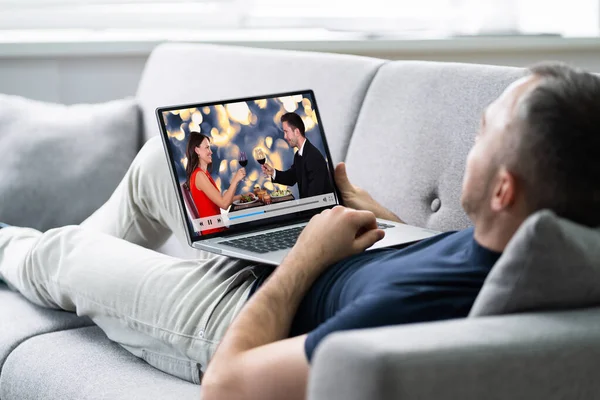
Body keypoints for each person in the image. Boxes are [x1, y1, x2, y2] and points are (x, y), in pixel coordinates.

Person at [1, 63, 599, 400]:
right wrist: (370, 212)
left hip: (246, 314)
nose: (471, 140)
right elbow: (428, 255)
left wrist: (307, 256)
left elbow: (229, 386)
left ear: (504, 190)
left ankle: (30, 260)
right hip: (304, 261)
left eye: (483, 132)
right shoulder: (520, 238)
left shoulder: (420, 313)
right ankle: (84, 293)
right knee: (167, 163)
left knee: (66, 251)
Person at [185, 132, 246, 234]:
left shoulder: (204, 174)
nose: (211, 152)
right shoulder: (199, 176)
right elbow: (224, 204)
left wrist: (242, 197)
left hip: (219, 229)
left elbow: (220, 200)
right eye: (207, 148)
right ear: (197, 150)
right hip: (214, 233)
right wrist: (235, 180)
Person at [262, 112, 334, 198]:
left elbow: (315, 197)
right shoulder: (300, 154)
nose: (285, 137)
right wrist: (273, 172)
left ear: (296, 132)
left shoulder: (313, 157)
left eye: (286, 132)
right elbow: (291, 177)